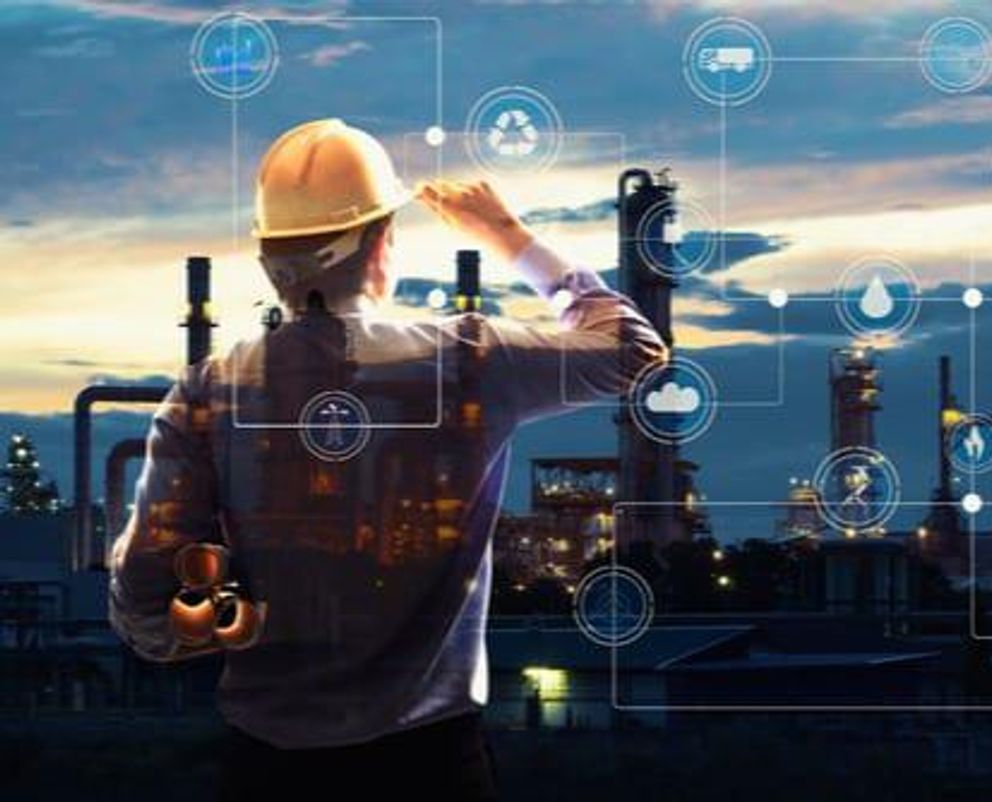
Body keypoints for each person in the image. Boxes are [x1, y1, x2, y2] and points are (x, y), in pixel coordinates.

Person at [108, 118, 667, 800]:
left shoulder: (206, 395)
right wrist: (508, 236)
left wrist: (242, 616)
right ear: (382, 244)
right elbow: (635, 349)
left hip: (268, 769)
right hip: (431, 766)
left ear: (266, 259)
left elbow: (145, 607)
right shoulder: (467, 360)